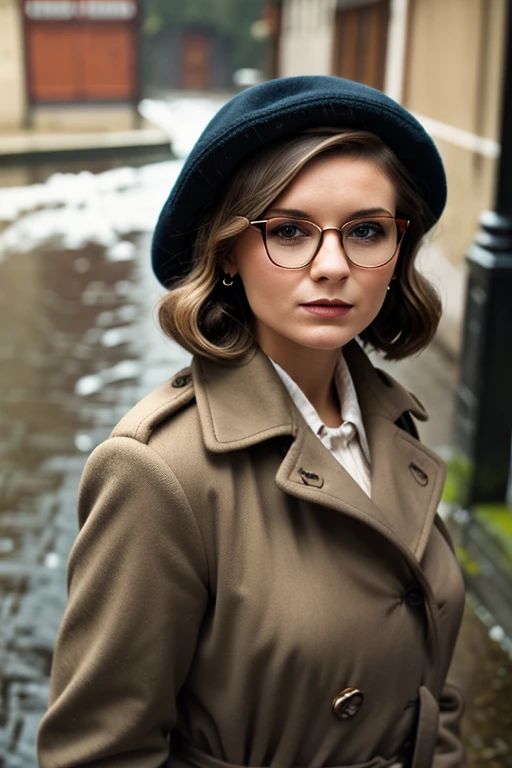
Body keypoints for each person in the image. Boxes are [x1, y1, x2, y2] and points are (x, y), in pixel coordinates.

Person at [38, 76, 467, 768]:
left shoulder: (391, 423)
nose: (333, 267)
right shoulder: (158, 472)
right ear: (229, 252)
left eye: (365, 231)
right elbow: (98, 754)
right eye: (290, 231)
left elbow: (431, 692)